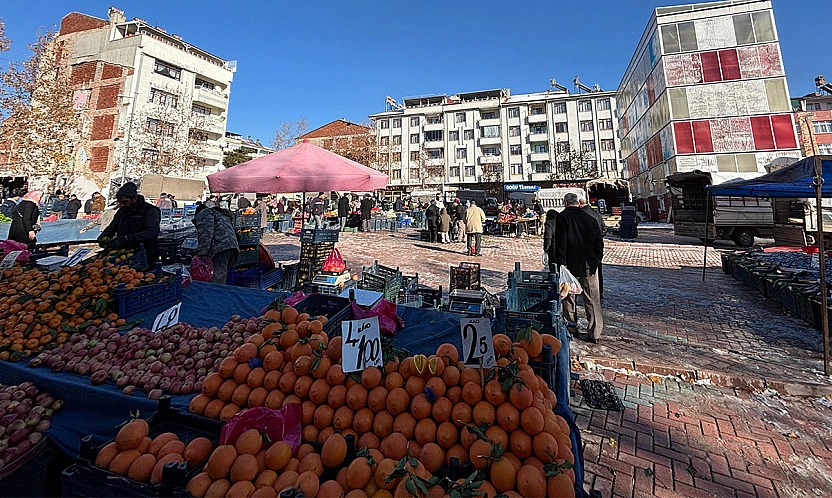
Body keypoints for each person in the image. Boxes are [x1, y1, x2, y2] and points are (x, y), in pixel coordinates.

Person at [556, 193, 604, 343]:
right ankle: (595, 333)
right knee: (592, 300)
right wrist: (596, 260)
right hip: (589, 266)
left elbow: (561, 243)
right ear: (578, 203)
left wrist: (561, 264)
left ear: (565, 202)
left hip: (570, 266)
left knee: (569, 298)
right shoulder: (590, 219)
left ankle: (571, 327)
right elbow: (599, 243)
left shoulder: (562, 218)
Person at [98, 182, 162, 266]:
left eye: (125, 201)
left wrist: (126, 238)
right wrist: (104, 236)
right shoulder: (122, 211)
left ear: (134, 198)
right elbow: (112, 227)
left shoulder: (150, 210)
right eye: (120, 202)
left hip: (145, 254)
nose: (122, 205)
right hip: (124, 254)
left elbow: (153, 231)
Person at [192, 202, 239, 285]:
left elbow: (206, 234)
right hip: (232, 248)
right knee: (222, 276)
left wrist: (202, 254)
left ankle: (216, 297)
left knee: (217, 281)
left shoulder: (204, 214)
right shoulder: (219, 215)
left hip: (220, 249)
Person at [580, 198, 607, 298]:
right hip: (597, 246)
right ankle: (600, 292)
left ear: (580, 204)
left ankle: (586, 291)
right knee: (598, 270)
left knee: (586, 271)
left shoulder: (582, 214)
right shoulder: (596, 214)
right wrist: (599, 237)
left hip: (586, 246)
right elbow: (604, 229)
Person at [542, 209, 559, 273]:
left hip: (553, 248)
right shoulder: (561, 221)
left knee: (553, 268)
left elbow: (548, 237)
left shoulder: (549, 223)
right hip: (563, 247)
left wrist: (546, 249)